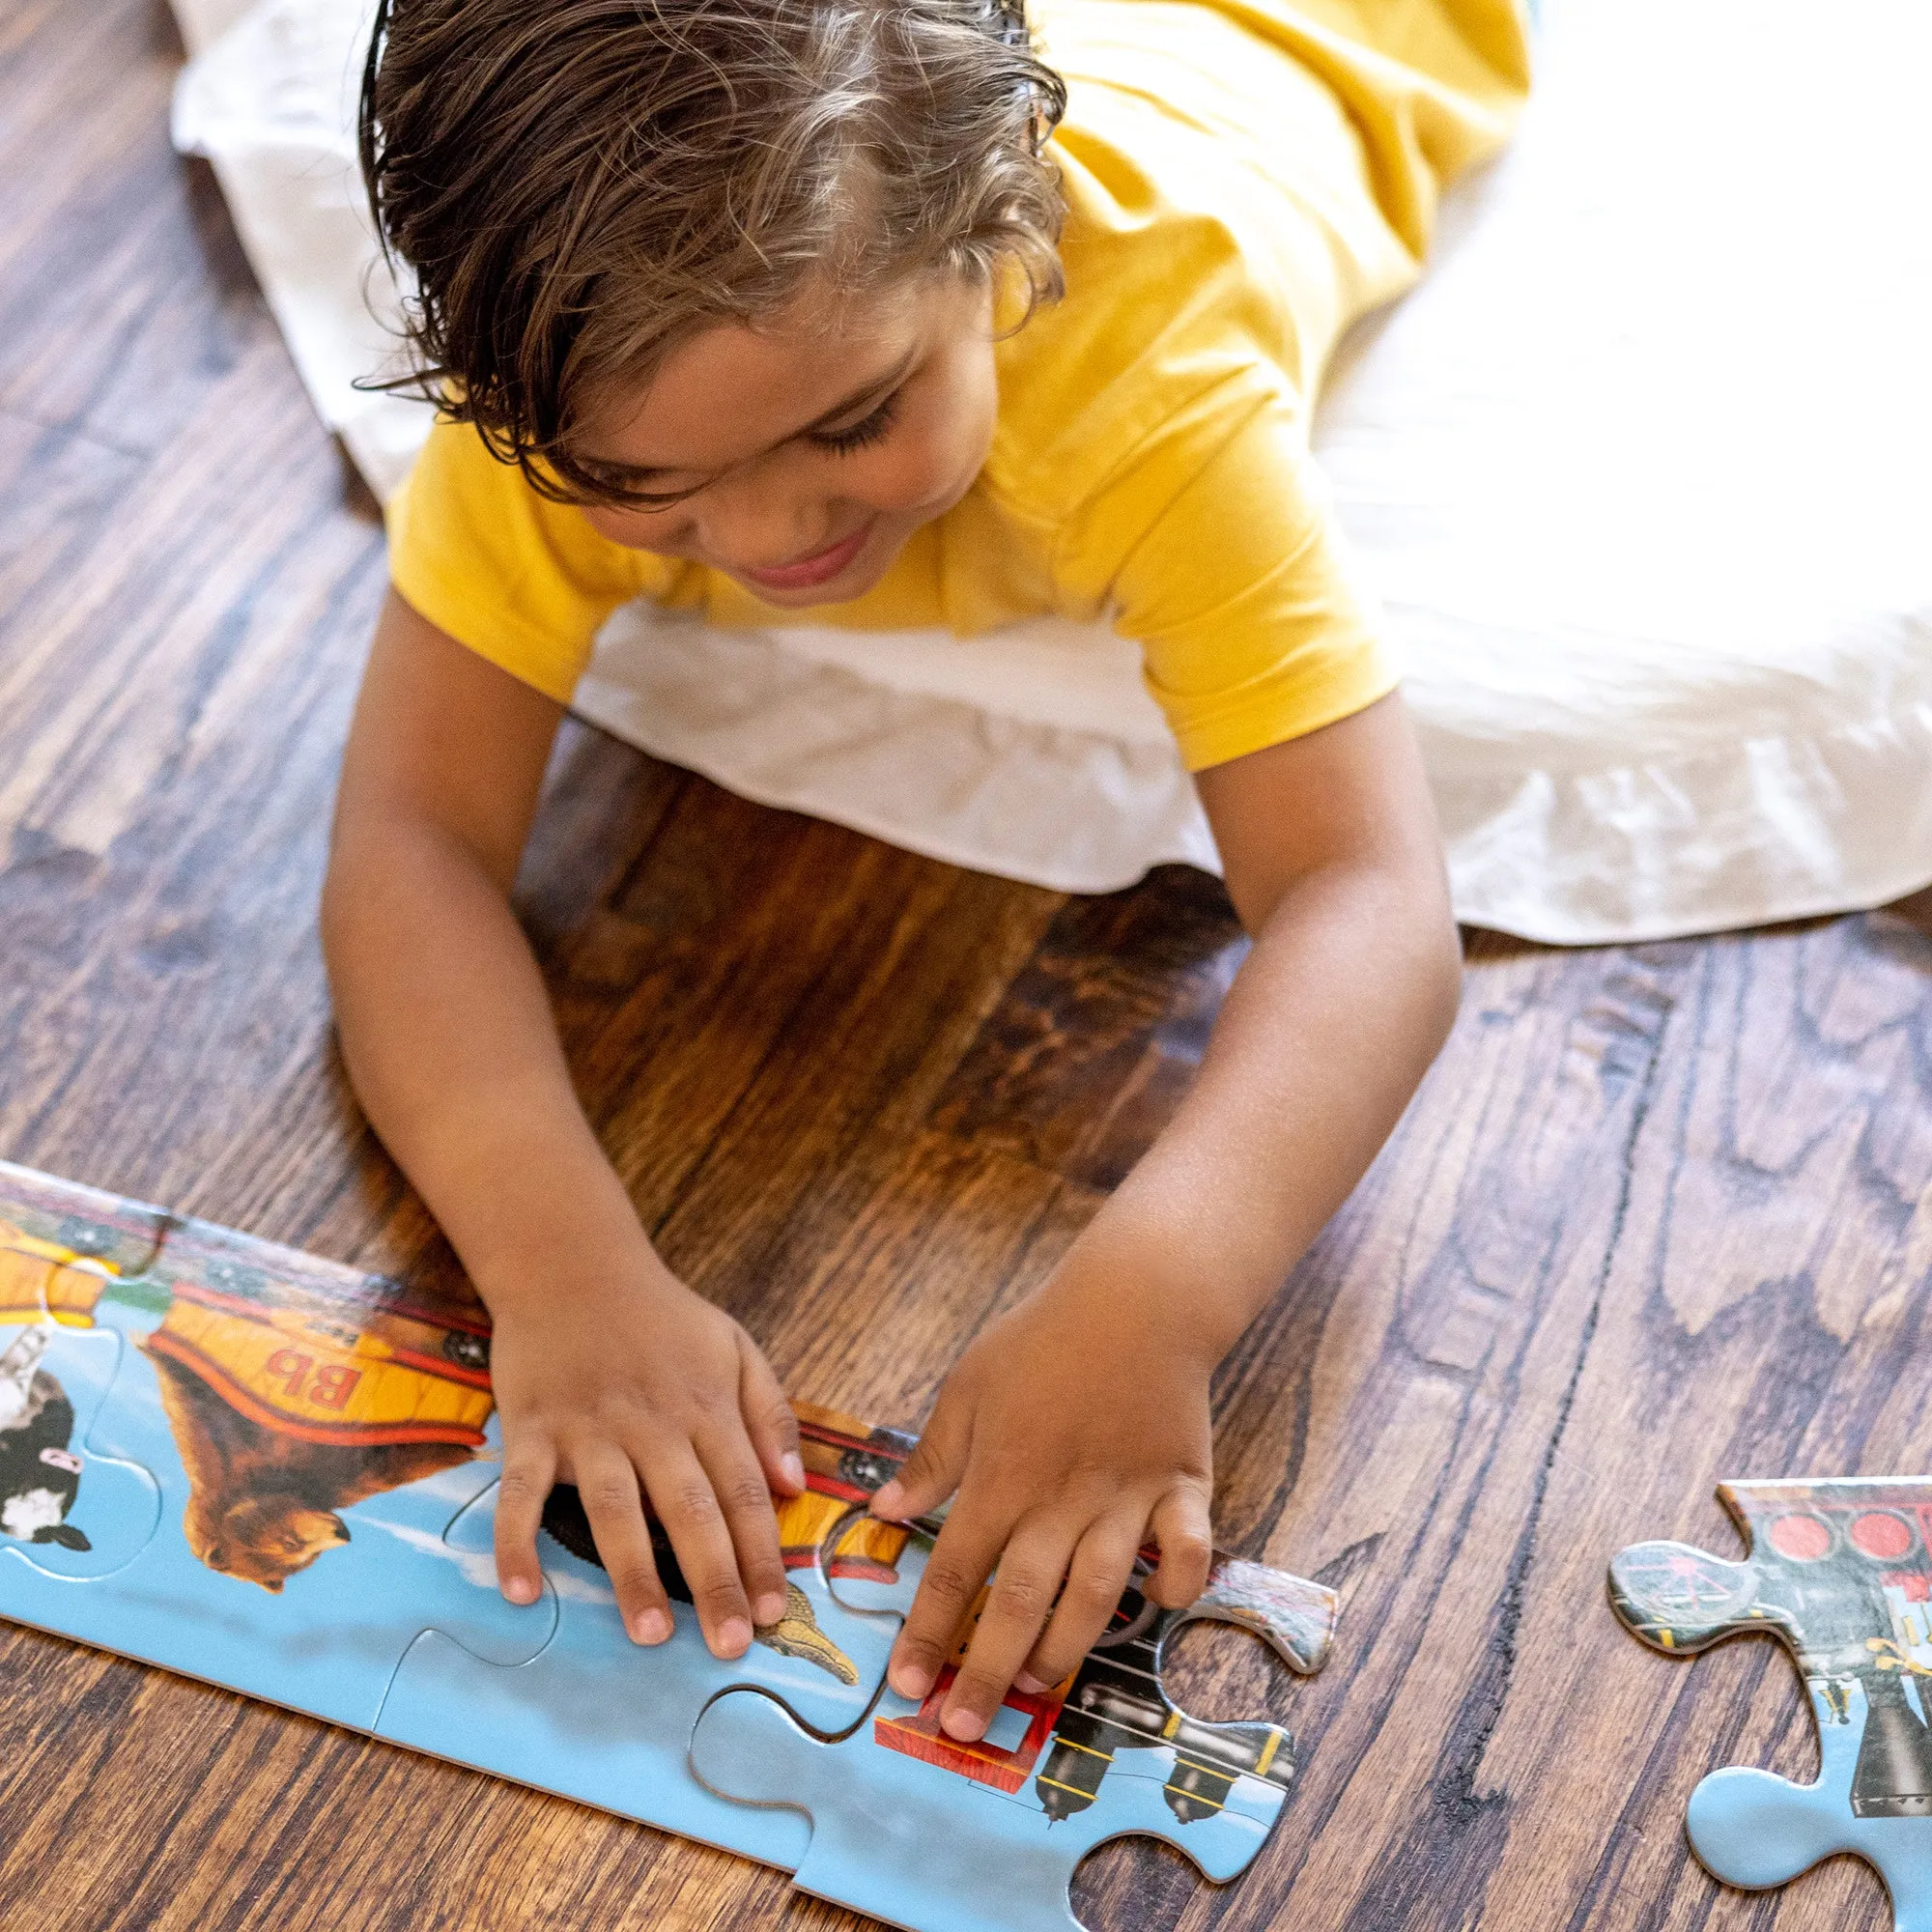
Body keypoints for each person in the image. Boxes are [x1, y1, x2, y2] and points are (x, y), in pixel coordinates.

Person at [325, 0, 1528, 1745]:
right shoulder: (556, 375)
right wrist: (558, 1267)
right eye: (654, 491)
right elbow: (405, 837)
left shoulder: (1146, 364)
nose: (763, 539)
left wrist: (1156, 1297)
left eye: (856, 416)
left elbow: (1369, 899)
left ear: (1008, 223)